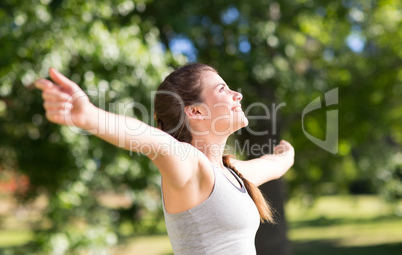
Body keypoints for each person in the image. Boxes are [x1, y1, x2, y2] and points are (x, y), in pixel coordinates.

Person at [35, 63, 294, 255]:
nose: (237, 95)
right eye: (222, 89)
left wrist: (285, 153)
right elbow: (151, 139)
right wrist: (90, 116)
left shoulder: (230, 172)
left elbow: (275, 164)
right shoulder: (191, 167)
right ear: (195, 111)